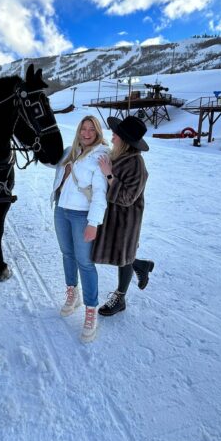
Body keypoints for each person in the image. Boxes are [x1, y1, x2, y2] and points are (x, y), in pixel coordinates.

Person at [51, 115, 109, 342]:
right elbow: (51, 165)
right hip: (61, 210)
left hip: (82, 216)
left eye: (91, 130)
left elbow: (100, 195)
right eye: (83, 129)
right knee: (67, 254)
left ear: (97, 133)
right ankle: (72, 293)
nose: (86, 133)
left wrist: (93, 223)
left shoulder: (100, 156)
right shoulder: (72, 151)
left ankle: (91, 310)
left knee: (85, 262)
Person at [92, 115, 155, 317]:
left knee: (123, 257)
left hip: (125, 221)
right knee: (123, 256)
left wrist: (109, 175)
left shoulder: (136, 164)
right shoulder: (118, 156)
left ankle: (120, 298)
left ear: (125, 141)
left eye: (115, 136)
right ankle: (141, 265)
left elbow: (128, 197)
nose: (112, 139)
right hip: (112, 218)